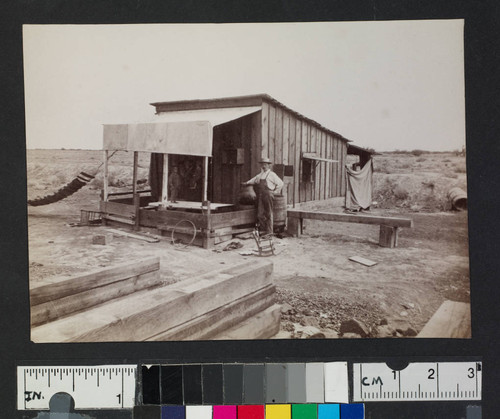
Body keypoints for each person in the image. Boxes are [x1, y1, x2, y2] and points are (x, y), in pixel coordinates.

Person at [243, 158, 283, 236]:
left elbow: (281, 183)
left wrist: (275, 192)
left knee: (269, 213)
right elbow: (254, 180)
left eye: (265, 164)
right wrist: (246, 183)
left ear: (268, 165)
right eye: (262, 164)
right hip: (261, 195)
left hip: (268, 194)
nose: (263, 166)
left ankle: (269, 232)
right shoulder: (260, 175)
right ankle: (264, 230)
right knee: (260, 214)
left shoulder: (272, 174)